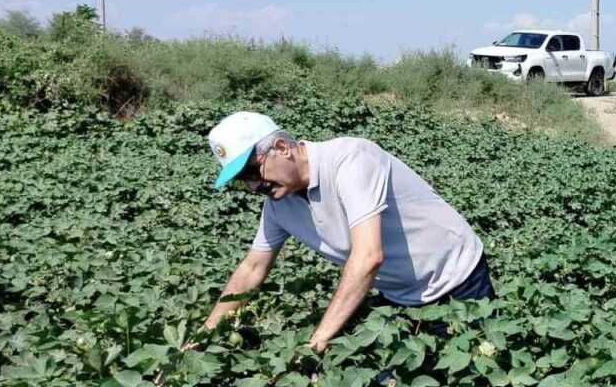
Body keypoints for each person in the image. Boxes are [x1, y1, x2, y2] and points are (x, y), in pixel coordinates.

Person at [197, 111, 492, 352]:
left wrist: (318, 340)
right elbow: (252, 268)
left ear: (282, 148)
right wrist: (205, 335)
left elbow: (368, 257)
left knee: (469, 375)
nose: (252, 186)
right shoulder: (279, 207)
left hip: (457, 280)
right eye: (242, 181)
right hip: (399, 295)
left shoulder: (351, 159)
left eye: (252, 172)